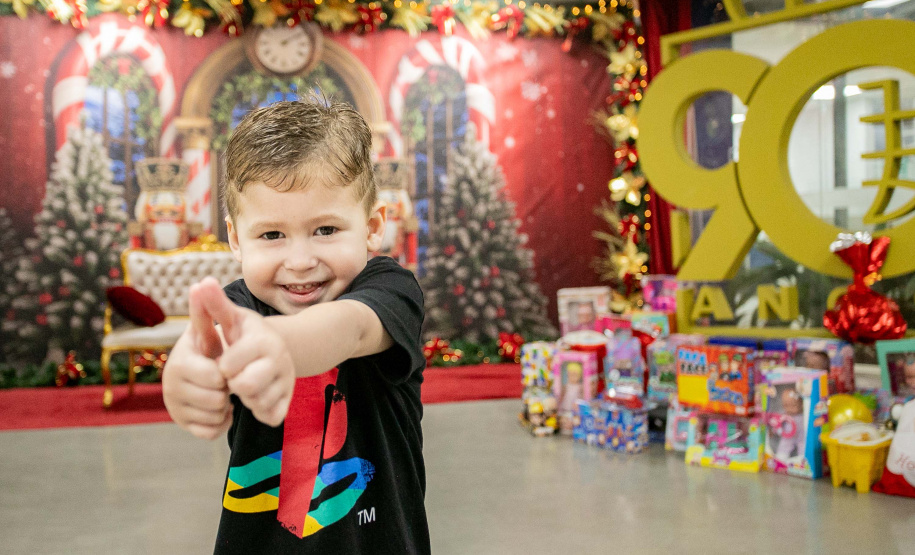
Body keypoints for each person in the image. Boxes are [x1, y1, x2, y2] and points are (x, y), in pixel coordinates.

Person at [161, 99, 429, 554]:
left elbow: (351, 328)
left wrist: (273, 344)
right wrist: (184, 375)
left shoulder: (391, 290)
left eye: (326, 230)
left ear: (372, 227)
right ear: (236, 238)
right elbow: (204, 350)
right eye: (272, 235)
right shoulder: (238, 306)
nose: (301, 261)